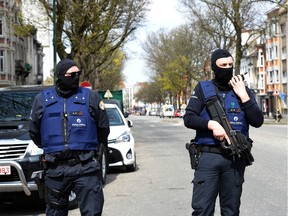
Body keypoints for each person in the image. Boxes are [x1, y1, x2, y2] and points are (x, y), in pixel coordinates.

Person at [184, 49, 264, 216]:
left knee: (231, 211)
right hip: (208, 157)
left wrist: (244, 96)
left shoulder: (243, 90)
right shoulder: (202, 89)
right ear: (214, 67)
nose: (227, 68)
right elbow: (189, 118)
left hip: (235, 159)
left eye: (230, 65)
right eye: (223, 65)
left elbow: (257, 121)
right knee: (202, 211)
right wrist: (211, 124)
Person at [29, 58, 110, 216]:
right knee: (55, 213)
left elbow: (103, 128)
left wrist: (94, 153)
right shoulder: (43, 100)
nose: (75, 77)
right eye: (71, 74)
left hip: (86, 166)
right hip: (56, 168)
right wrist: (52, 148)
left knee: (93, 212)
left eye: (78, 74)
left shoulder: (91, 97)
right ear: (60, 75)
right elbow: (34, 131)